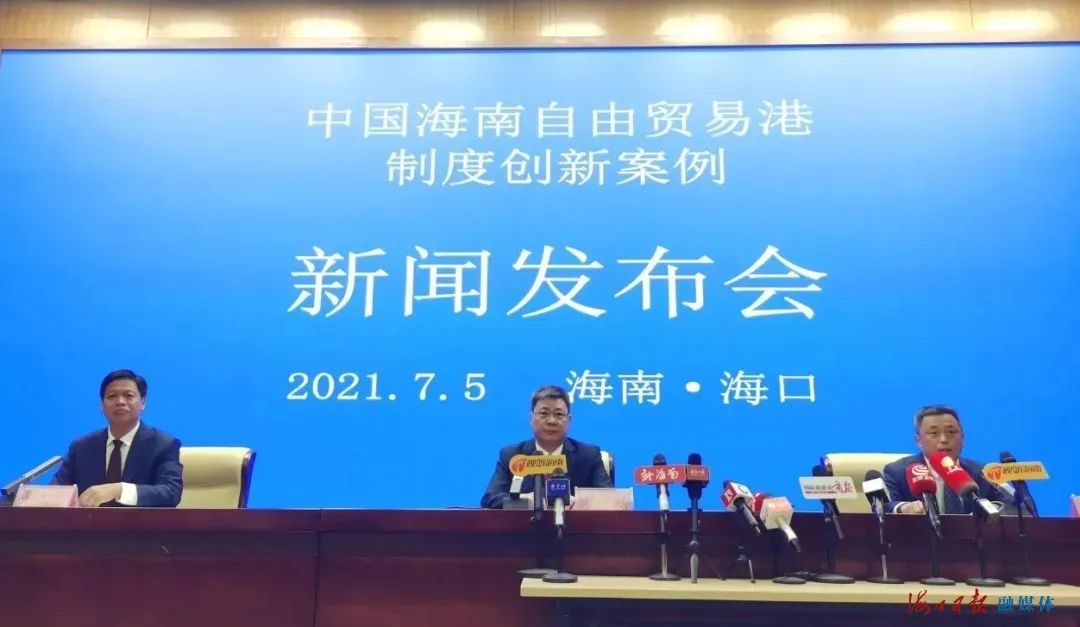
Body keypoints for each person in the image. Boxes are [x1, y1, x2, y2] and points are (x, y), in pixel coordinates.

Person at [52, 369, 183, 507]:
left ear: (143, 403)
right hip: (90, 521)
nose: (120, 402)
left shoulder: (163, 445)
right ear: (102, 405)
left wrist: (119, 490)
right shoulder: (81, 447)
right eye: (112, 396)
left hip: (141, 521)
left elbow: (171, 492)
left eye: (128, 395)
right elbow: (58, 490)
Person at [481, 384, 611, 509]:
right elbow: (490, 498)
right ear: (531, 418)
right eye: (544, 413)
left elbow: (609, 499)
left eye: (559, 414)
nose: (551, 421)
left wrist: (578, 502)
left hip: (575, 524)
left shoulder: (588, 455)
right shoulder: (513, 455)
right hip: (526, 524)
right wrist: (527, 500)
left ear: (569, 420)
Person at [883, 404, 1010, 515]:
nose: (944, 439)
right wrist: (903, 508)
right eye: (934, 433)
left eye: (951, 432)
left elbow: (1010, 503)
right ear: (918, 441)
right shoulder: (898, 472)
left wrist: (992, 509)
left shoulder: (982, 473)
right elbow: (884, 506)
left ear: (963, 438)